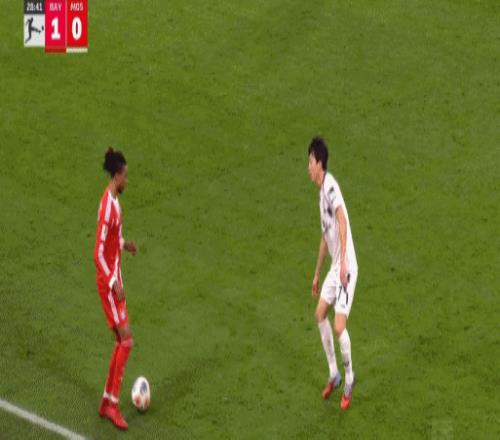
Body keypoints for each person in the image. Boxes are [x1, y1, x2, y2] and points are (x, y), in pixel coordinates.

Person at [308, 137, 358, 410]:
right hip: (335, 265)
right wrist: (317, 273)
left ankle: (349, 379)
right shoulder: (321, 195)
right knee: (319, 314)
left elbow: (341, 219)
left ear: (320, 163)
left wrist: (343, 264)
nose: (308, 167)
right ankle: (334, 374)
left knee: (339, 326)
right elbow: (326, 238)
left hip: (346, 266)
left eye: (310, 162)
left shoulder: (330, 186)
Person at [94, 147, 137, 429]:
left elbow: (111, 242)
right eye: (126, 177)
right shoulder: (108, 208)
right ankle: (112, 404)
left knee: (121, 343)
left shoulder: (115, 202)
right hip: (109, 284)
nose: (127, 181)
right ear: (117, 176)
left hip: (114, 280)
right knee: (126, 341)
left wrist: (124, 244)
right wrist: (112, 283)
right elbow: (97, 253)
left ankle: (106, 401)